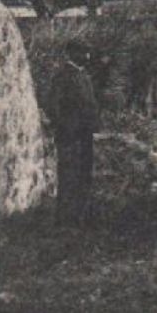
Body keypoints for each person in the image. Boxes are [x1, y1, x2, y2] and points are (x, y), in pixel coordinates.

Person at [47, 41, 99, 226]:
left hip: (85, 135)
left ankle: (79, 216)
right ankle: (65, 218)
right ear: (72, 53)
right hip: (70, 135)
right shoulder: (63, 76)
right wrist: (65, 127)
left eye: (87, 52)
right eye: (83, 52)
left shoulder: (83, 76)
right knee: (69, 174)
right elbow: (53, 105)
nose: (87, 56)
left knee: (84, 173)